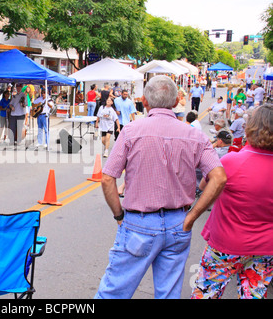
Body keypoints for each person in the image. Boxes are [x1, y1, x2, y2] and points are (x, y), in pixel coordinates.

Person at [95, 75, 226, 299]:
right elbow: (219, 177)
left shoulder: (131, 131)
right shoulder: (195, 135)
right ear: (176, 103)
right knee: (168, 293)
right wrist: (193, 214)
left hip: (139, 223)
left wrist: (119, 214)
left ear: (144, 101)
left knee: (114, 291)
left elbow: (107, 178)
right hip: (178, 224)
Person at [191, 105, 273, 299]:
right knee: (253, 294)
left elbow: (204, 185)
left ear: (250, 127)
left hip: (225, 244)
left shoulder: (232, 161)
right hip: (265, 247)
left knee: (207, 291)